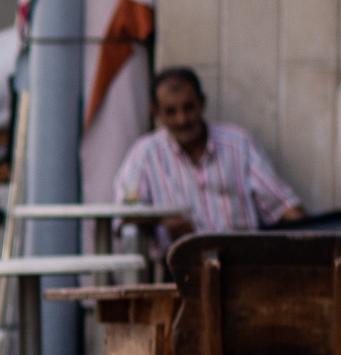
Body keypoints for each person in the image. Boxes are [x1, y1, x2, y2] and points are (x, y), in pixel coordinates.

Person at [115, 68, 305, 235]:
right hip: (180, 265)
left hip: (242, 263)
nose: (182, 120)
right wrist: (161, 220)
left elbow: (283, 206)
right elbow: (125, 212)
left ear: (202, 103)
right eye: (171, 112)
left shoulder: (237, 143)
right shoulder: (145, 154)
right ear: (157, 113)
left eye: (188, 108)